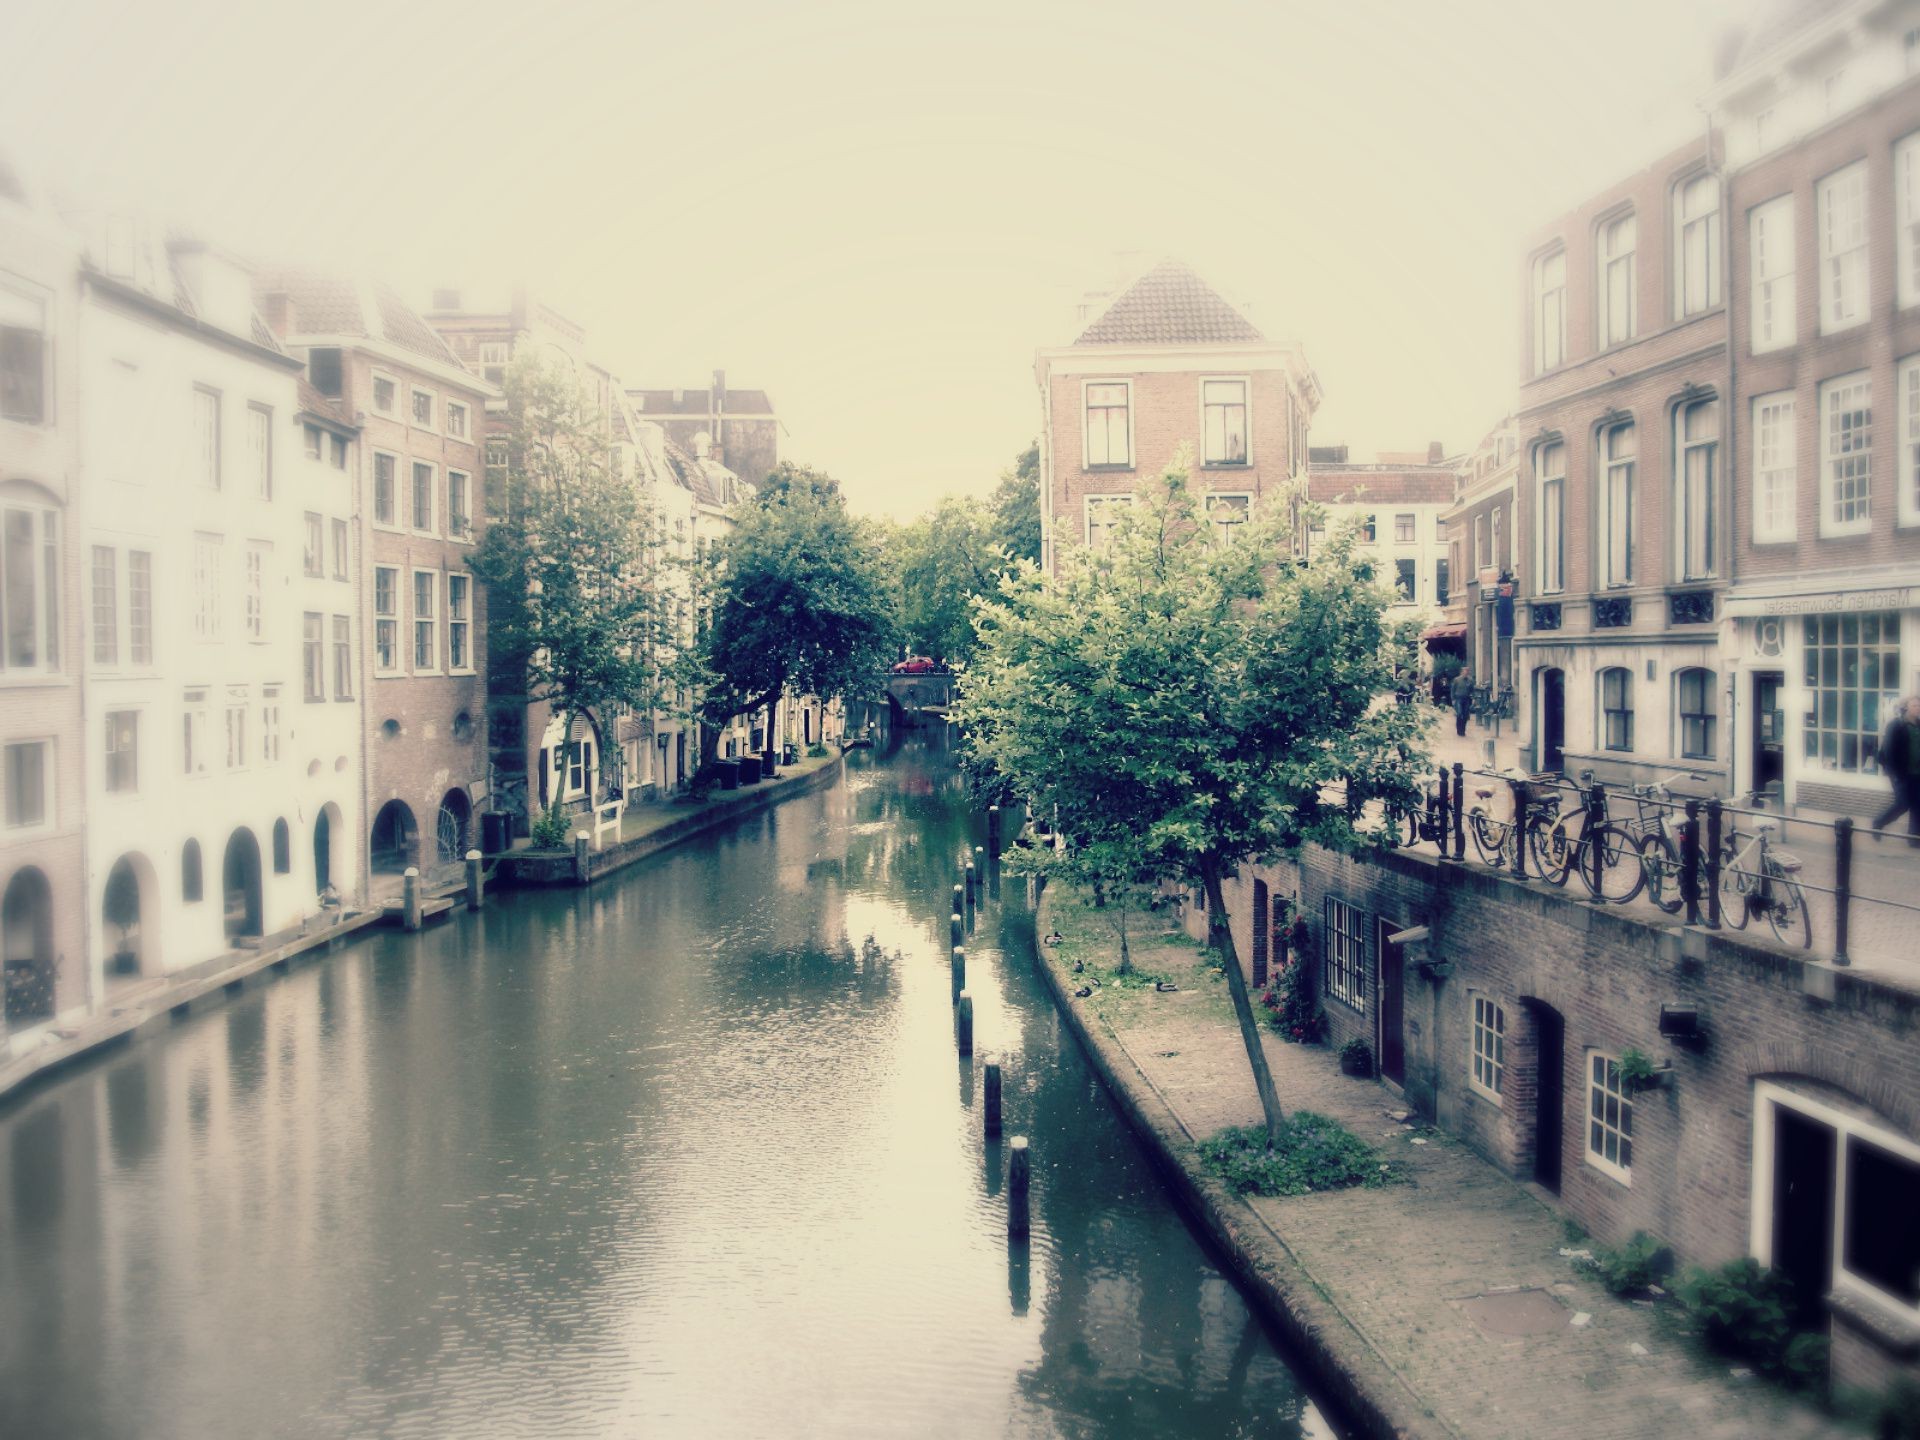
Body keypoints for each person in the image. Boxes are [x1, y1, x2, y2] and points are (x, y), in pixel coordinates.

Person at [1871, 695, 1920, 845]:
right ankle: (1878, 822)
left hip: (1917, 772)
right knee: (1903, 803)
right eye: (1915, 706)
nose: (1918, 708)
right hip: (1900, 773)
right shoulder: (1896, 725)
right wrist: (1896, 774)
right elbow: (1889, 751)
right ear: (1906, 707)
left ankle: (1914, 839)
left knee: (1918, 805)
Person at [1452, 669, 1474, 737]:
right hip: (1459, 698)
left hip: (1466, 699)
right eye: (1465, 672)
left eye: (1467, 672)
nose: (1466, 673)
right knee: (1459, 713)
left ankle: (1463, 730)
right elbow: (1453, 689)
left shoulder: (1470, 680)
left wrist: (1473, 698)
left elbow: (1472, 690)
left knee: (1465, 715)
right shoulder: (1457, 680)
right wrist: (1453, 699)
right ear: (1461, 672)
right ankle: (1459, 729)